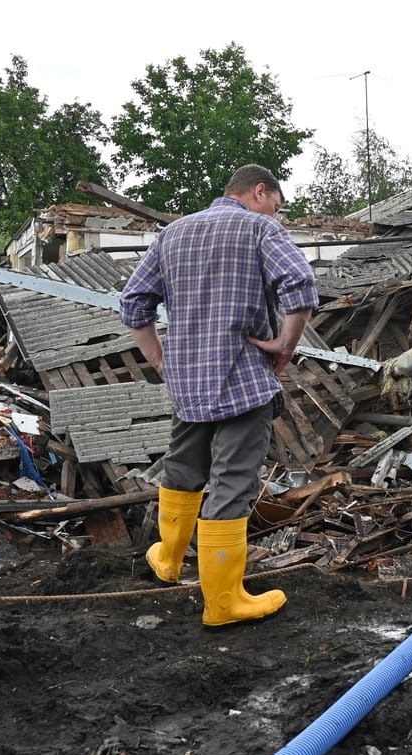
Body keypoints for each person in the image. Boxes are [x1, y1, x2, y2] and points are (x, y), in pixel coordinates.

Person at [119, 164, 318, 628]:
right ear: (259, 191)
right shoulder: (260, 229)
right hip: (243, 379)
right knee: (231, 483)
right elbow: (301, 286)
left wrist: (159, 359)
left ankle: (168, 559)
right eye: (276, 205)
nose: (277, 215)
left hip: (188, 382)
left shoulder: (172, 234)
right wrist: (285, 345)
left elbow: (133, 303)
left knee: (183, 467)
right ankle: (224, 602)